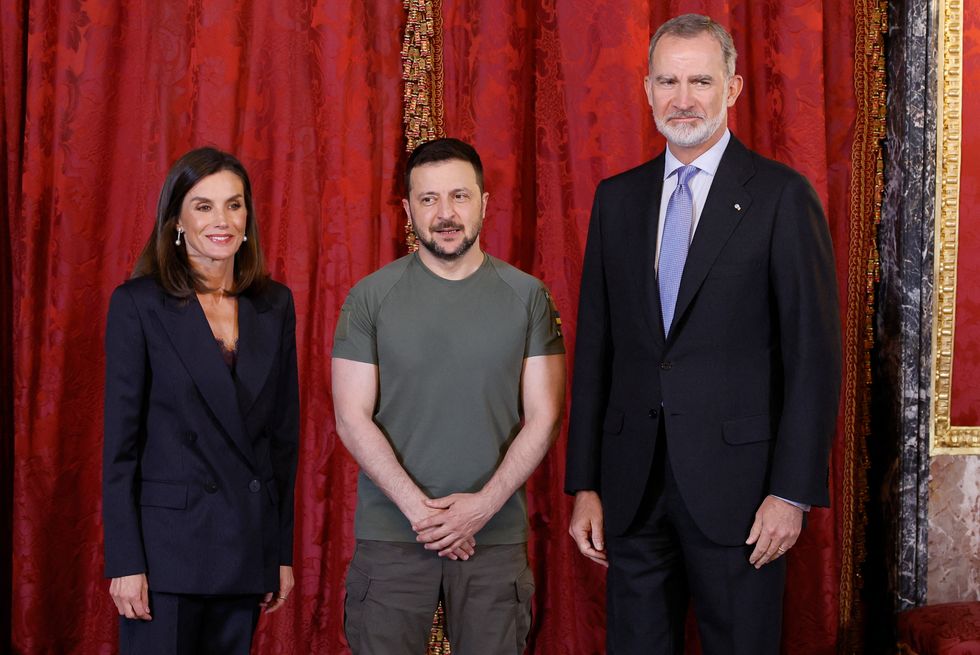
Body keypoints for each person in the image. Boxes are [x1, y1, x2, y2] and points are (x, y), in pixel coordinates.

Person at [564, 14, 841, 655]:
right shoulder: (617, 200)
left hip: (742, 494)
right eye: (668, 81)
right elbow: (596, 351)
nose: (682, 98)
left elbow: (813, 357)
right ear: (646, 89)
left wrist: (792, 492)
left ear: (733, 88)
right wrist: (586, 483)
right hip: (632, 492)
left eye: (700, 81)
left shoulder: (780, 197)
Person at [332, 137, 565, 654]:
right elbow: (350, 417)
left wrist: (481, 508)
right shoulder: (368, 297)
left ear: (484, 201)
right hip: (393, 537)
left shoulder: (529, 296)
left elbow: (545, 416)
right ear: (407, 208)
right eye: (429, 199)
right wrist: (424, 514)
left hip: (495, 536)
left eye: (459, 196)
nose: (445, 213)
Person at [102, 147, 299, 654]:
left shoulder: (274, 305)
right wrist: (126, 561)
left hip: (243, 546)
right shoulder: (138, 305)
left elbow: (282, 443)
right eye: (204, 205)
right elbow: (120, 449)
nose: (222, 220)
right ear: (177, 220)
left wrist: (278, 552)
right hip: (166, 555)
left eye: (234, 205)